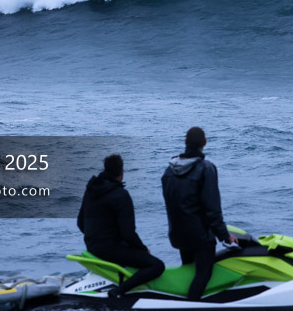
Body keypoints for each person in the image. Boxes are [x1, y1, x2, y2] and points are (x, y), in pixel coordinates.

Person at [161, 127, 237, 301]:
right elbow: (212, 208)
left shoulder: (168, 171)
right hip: (200, 236)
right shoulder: (206, 169)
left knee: (189, 272)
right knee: (203, 273)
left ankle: (183, 303)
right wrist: (225, 236)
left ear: (185, 143)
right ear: (205, 143)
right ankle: (189, 310)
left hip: (178, 234)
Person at [77, 154, 165, 297]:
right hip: (110, 249)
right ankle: (118, 292)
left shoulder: (91, 190)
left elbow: (80, 223)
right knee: (157, 265)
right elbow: (128, 234)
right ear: (121, 172)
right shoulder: (121, 195)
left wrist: (97, 236)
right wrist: (143, 250)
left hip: (92, 246)